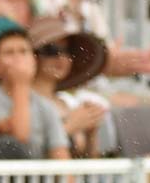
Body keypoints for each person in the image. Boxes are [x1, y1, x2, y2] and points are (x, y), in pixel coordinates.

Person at [0, 15, 70, 160]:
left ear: (34, 60)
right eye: (9, 53)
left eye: (23, 51)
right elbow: (19, 137)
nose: (18, 58)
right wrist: (21, 84)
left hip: (35, 181)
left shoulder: (45, 106)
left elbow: (61, 158)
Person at [28, 15, 108, 159]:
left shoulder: (67, 102)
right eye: (51, 50)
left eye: (68, 51)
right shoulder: (24, 101)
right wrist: (69, 127)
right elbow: (27, 154)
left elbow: (87, 165)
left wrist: (91, 135)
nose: (61, 58)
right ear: (33, 56)